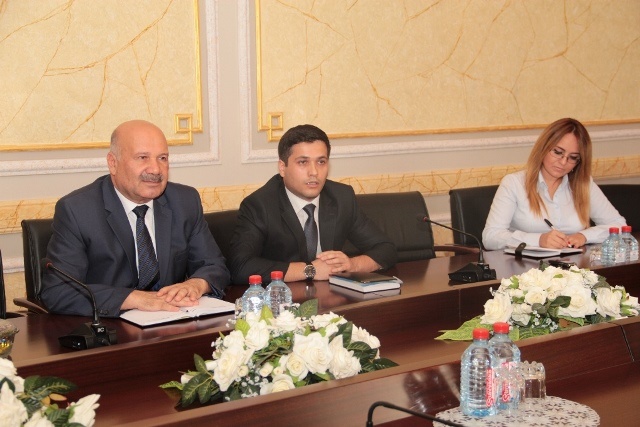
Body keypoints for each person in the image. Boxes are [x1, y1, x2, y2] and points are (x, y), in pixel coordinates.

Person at [40, 120, 230, 317]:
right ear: (113, 163)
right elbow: (58, 291)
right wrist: (135, 299)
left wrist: (196, 284)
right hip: (110, 327)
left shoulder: (184, 201)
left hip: (173, 320)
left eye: (162, 158)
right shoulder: (77, 210)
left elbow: (214, 266)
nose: (155, 169)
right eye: (142, 157)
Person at [228, 124, 397, 284]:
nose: (314, 172)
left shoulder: (341, 197)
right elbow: (240, 266)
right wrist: (310, 270)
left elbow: (386, 249)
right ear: (282, 167)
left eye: (321, 162)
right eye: (303, 162)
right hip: (282, 299)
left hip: (331, 297)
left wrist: (351, 265)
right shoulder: (259, 205)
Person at [482, 117, 626, 250]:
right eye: (557, 152)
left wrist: (584, 236)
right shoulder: (514, 183)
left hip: (573, 265)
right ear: (543, 148)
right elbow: (491, 237)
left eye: (573, 157)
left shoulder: (583, 184)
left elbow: (619, 225)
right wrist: (538, 240)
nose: (563, 162)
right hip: (524, 266)